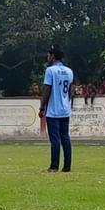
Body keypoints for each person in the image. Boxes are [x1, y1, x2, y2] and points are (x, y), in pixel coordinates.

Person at [39, 44, 74, 172]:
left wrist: (42, 107)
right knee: (65, 137)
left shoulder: (50, 71)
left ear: (53, 56)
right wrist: (66, 103)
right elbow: (70, 91)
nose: (47, 57)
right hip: (65, 109)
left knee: (55, 139)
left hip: (53, 111)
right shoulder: (69, 71)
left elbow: (47, 90)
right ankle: (67, 166)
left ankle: (54, 166)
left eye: (48, 55)